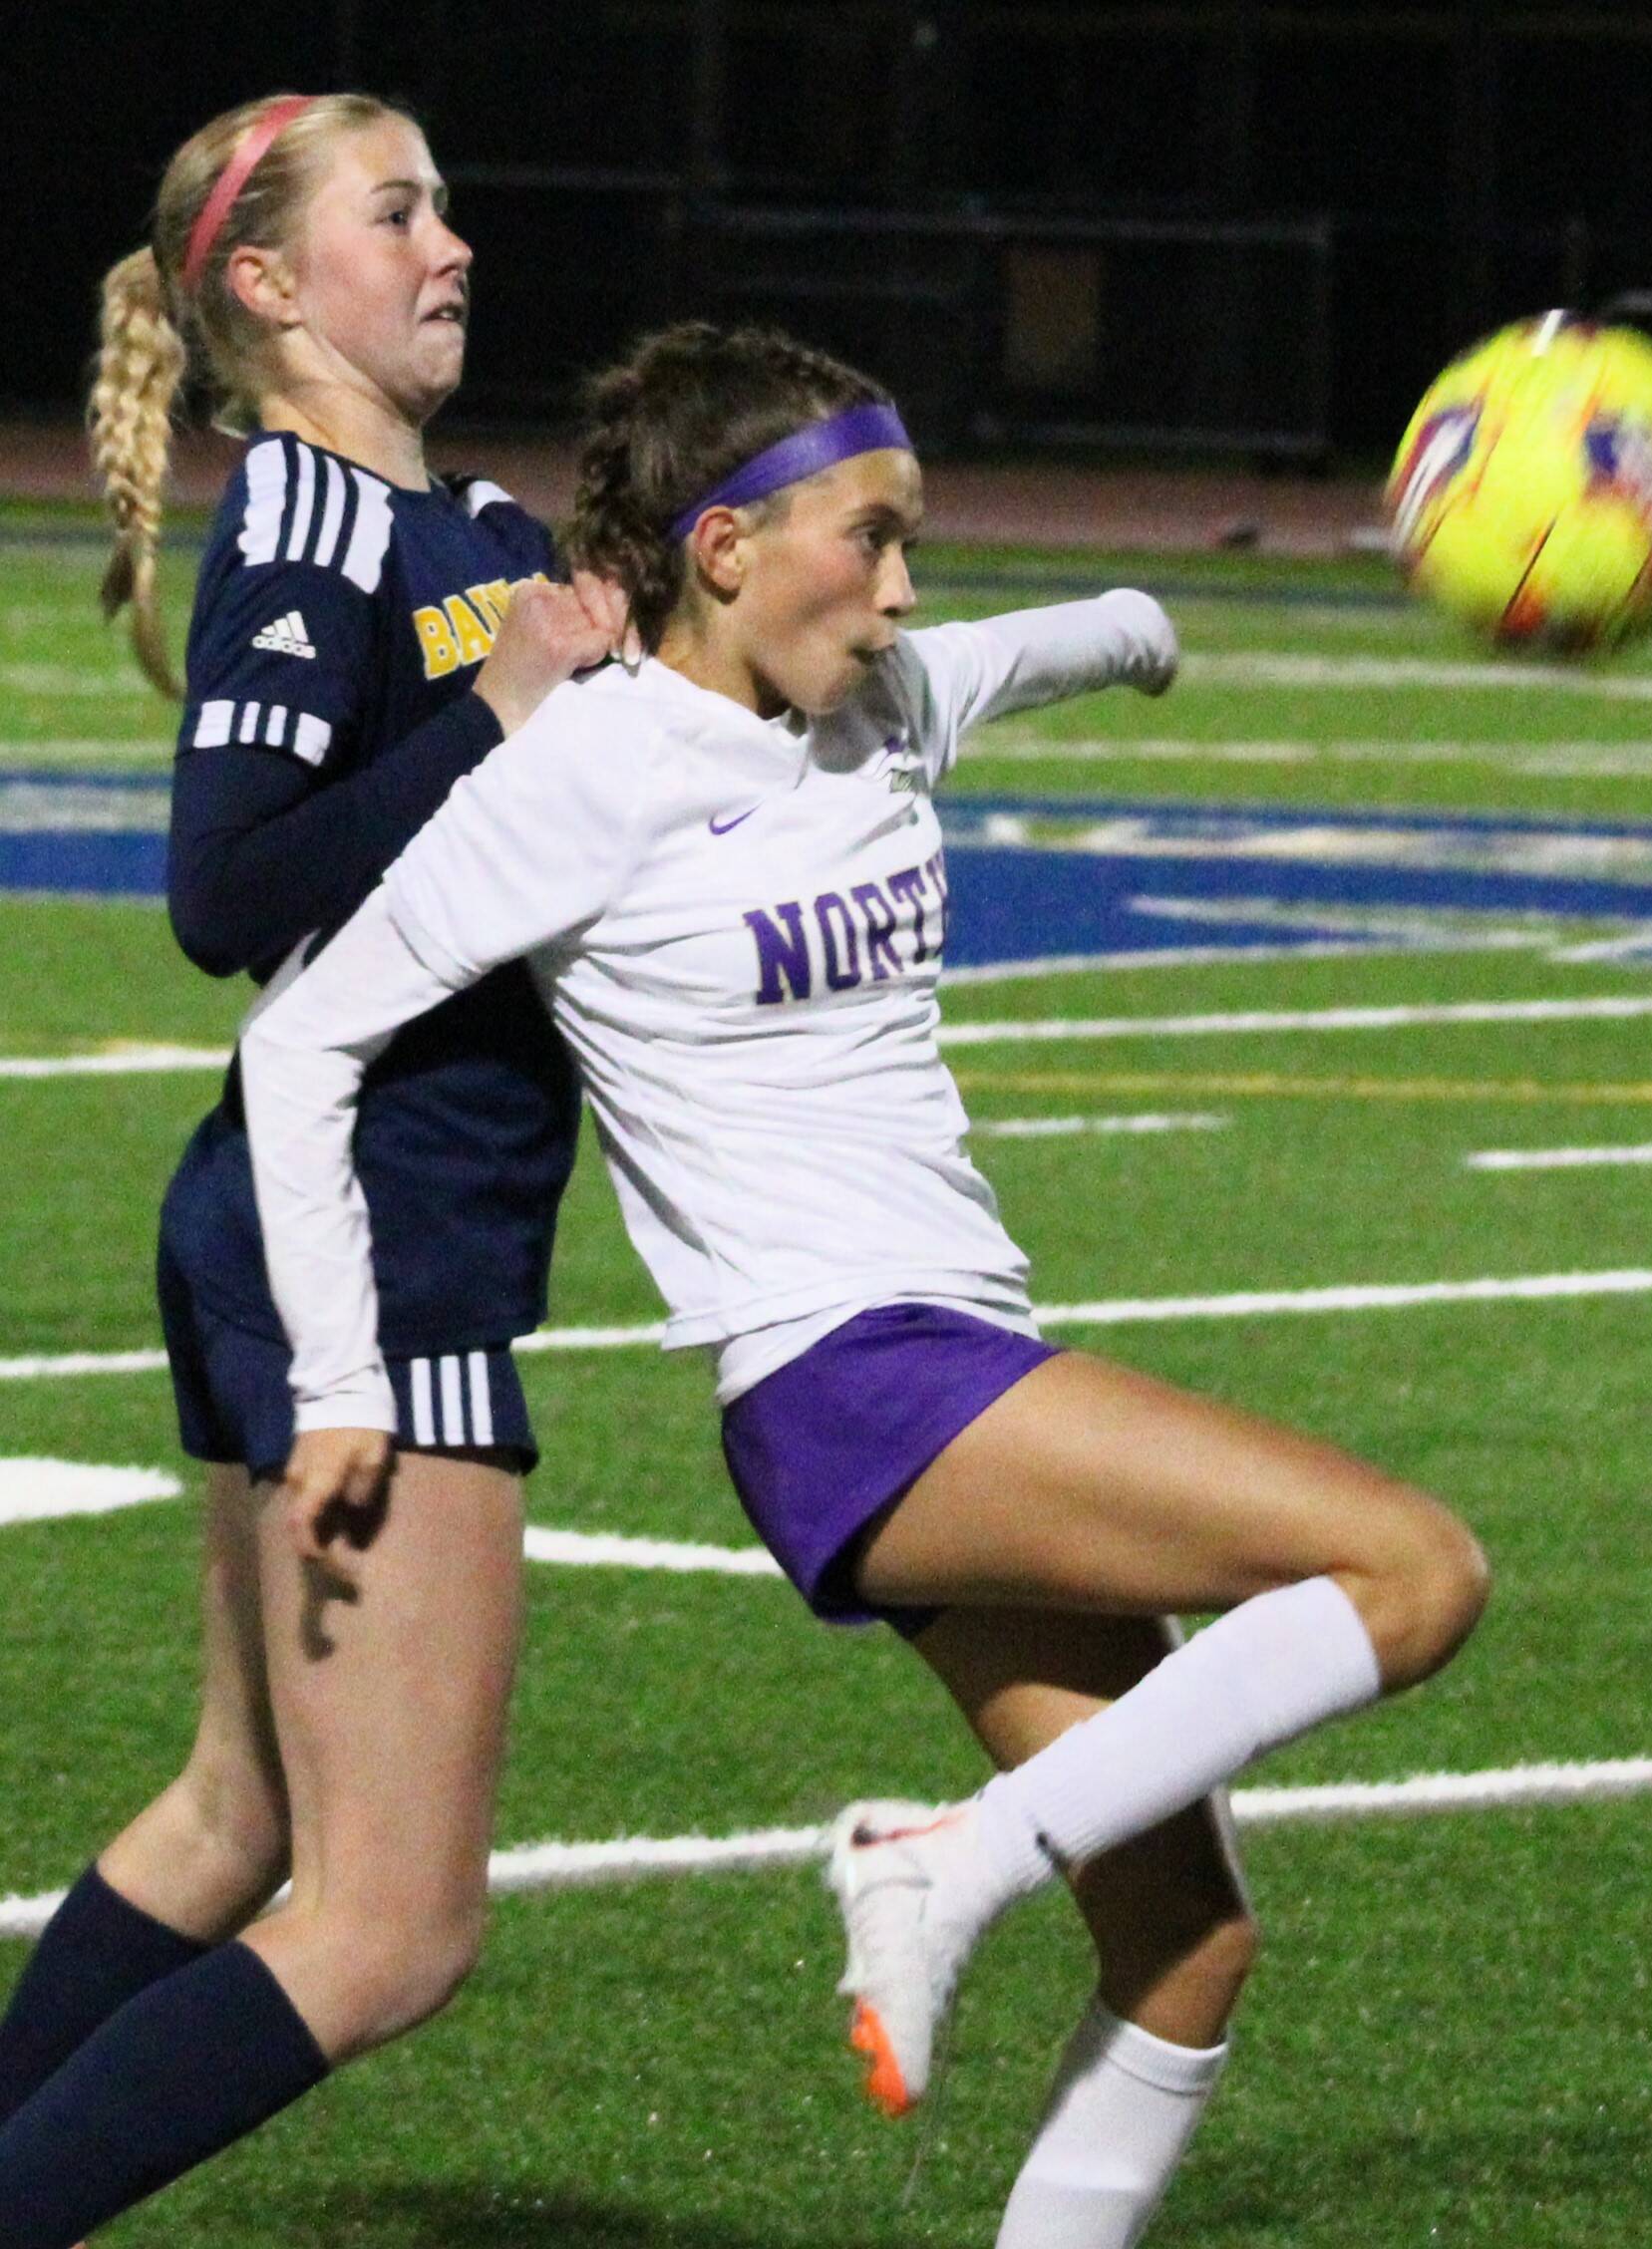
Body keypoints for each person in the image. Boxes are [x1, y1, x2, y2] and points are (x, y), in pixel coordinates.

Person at [237, 321, 1490, 2249]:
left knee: (1186, 1947)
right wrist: (340, 1381)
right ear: (725, 548)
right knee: (1415, 1572)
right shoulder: (594, 774)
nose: (906, 588)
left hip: (949, 1363)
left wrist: (1341, 565)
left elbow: (1095, 633)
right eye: (873, 537)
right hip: (844, 1378)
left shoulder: (881, 698)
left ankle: (971, 1894)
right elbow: (298, 1047)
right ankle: (944, 1862)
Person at [0, 93, 619, 2243]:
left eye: (448, 198)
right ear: (267, 287)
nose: (454, 242)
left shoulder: (452, 523)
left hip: (300, 1211)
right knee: (391, 1930)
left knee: (236, 1814)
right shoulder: (314, 533)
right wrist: (506, 716)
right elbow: (228, 882)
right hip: (369, 1246)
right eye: (399, 212)